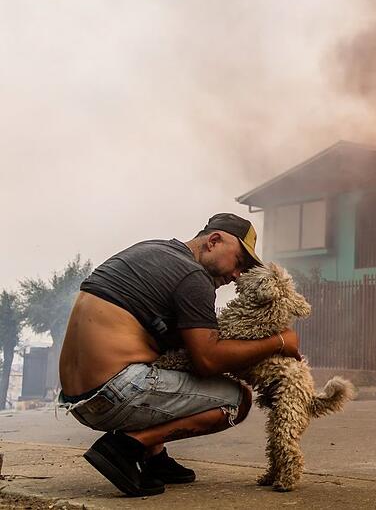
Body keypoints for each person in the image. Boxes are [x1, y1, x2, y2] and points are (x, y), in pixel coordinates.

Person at [58, 213, 301, 497]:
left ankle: (154, 458)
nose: (238, 275)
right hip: (116, 391)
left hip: (78, 400)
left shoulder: (152, 250)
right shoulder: (193, 276)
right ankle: (126, 447)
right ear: (214, 241)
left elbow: (172, 348)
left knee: (165, 357)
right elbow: (208, 360)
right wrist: (279, 342)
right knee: (237, 400)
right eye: (238, 262)